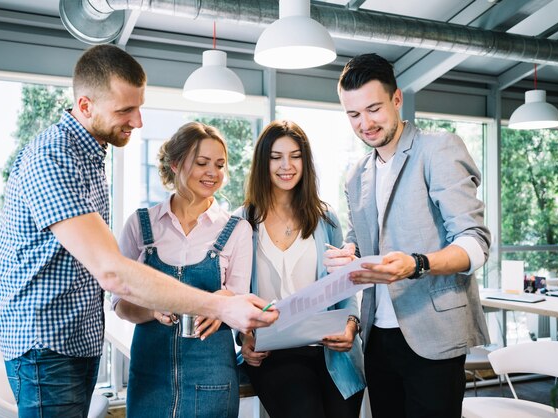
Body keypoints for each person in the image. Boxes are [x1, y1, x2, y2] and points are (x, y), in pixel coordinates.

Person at [0, 45, 277, 418]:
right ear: (85, 106)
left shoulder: (90, 159)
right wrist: (218, 304)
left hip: (73, 344)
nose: (138, 121)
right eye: (125, 110)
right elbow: (111, 271)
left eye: (138, 107)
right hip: (48, 346)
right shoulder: (55, 157)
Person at [324, 53, 491, 418]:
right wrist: (347, 256)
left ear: (397, 99)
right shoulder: (356, 174)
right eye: (354, 115)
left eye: (374, 109)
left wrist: (416, 264)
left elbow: (475, 242)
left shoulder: (438, 149)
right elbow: (360, 242)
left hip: (433, 335)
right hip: (377, 337)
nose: (365, 123)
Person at [112, 122, 251, 417]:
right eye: (202, 163)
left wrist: (219, 309)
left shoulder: (237, 230)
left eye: (220, 165)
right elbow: (121, 305)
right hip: (151, 377)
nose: (213, 173)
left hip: (212, 379)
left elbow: (239, 300)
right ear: (175, 164)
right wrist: (152, 310)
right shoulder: (140, 225)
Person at [238, 120, 366, 418]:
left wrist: (351, 324)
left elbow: (344, 286)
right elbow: (235, 294)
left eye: (295, 156)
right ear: (262, 163)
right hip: (274, 352)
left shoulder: (326, 218)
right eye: (276, 157)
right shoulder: (242, 221)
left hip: (330, 350)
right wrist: (244, 337)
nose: (287, 165)